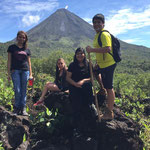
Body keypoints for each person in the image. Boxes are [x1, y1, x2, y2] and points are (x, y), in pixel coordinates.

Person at [86, 14, 116, 120]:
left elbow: (107, 49)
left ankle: (109, 112)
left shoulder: (104, 35)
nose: (96, 24)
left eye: (99, 22)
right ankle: (102, 88)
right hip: (102, 64)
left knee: (109, 88)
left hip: (108, 64)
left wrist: (92, 50)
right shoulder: (97, 35)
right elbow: (101, 50)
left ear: (103, 23)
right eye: (95, 22)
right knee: (95, 71)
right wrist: (98, 62)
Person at [66, 47, 97, 131]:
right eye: (78, 54)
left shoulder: (89, 64)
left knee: (87, 88)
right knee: (77, 106)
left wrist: (83, 80)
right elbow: (68, 78)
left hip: (85, 87)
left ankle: (92, 110)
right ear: (75, 55)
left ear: (84, 54)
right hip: (74, 87)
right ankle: (76, 126)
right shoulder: (72, 65)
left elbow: (92, 77)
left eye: (81, 53)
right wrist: (75, 84)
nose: (80, 55)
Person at [7, 30, 33, 116]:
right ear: (17, 37)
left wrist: (31, 74)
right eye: (20, 37)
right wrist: (8, 73)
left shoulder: (27, 50)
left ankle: (23, 108)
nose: (21, 38)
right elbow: (9, 61)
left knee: (24, 90)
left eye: (23, 37)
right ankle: (16, 108)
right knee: (17, 90)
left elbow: (29, 62)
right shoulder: (11, 48)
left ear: (25, 39)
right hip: (15, 71)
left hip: (25, 71)